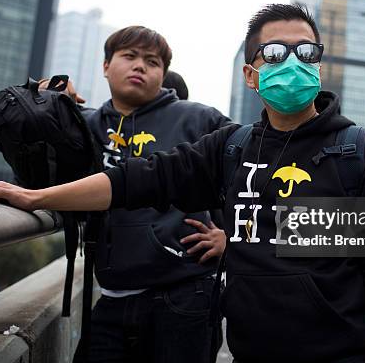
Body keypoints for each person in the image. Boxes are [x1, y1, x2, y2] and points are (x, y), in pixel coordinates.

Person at [0, 4, 365, 363]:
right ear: (251, 74)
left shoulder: (360, 153)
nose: (293, 62)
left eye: (306, 51)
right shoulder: (232, 148)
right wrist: (37, 196)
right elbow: (135, 180)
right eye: (276, 53)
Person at [43, 26, 231, 362]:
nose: (140, 66)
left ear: (163, 73)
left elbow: (251, 177)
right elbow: (36, 171)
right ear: (105, 66)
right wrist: (46, 100)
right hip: (111, 297)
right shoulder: (87, 126)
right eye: (129, 56)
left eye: (152, 61)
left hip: (185, 295)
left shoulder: (199, 119)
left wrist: (230, 238)